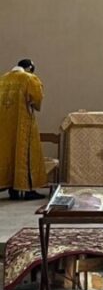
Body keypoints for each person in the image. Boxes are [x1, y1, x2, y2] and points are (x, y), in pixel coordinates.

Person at [0, 59, 47, 200]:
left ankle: (12, 189)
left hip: (4, 125)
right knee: (26, 153)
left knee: (7, 153)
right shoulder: (29, 78)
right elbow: (37, 99)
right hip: (23, 123)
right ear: (29, 68)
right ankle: (28, 190)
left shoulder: (3, 79)